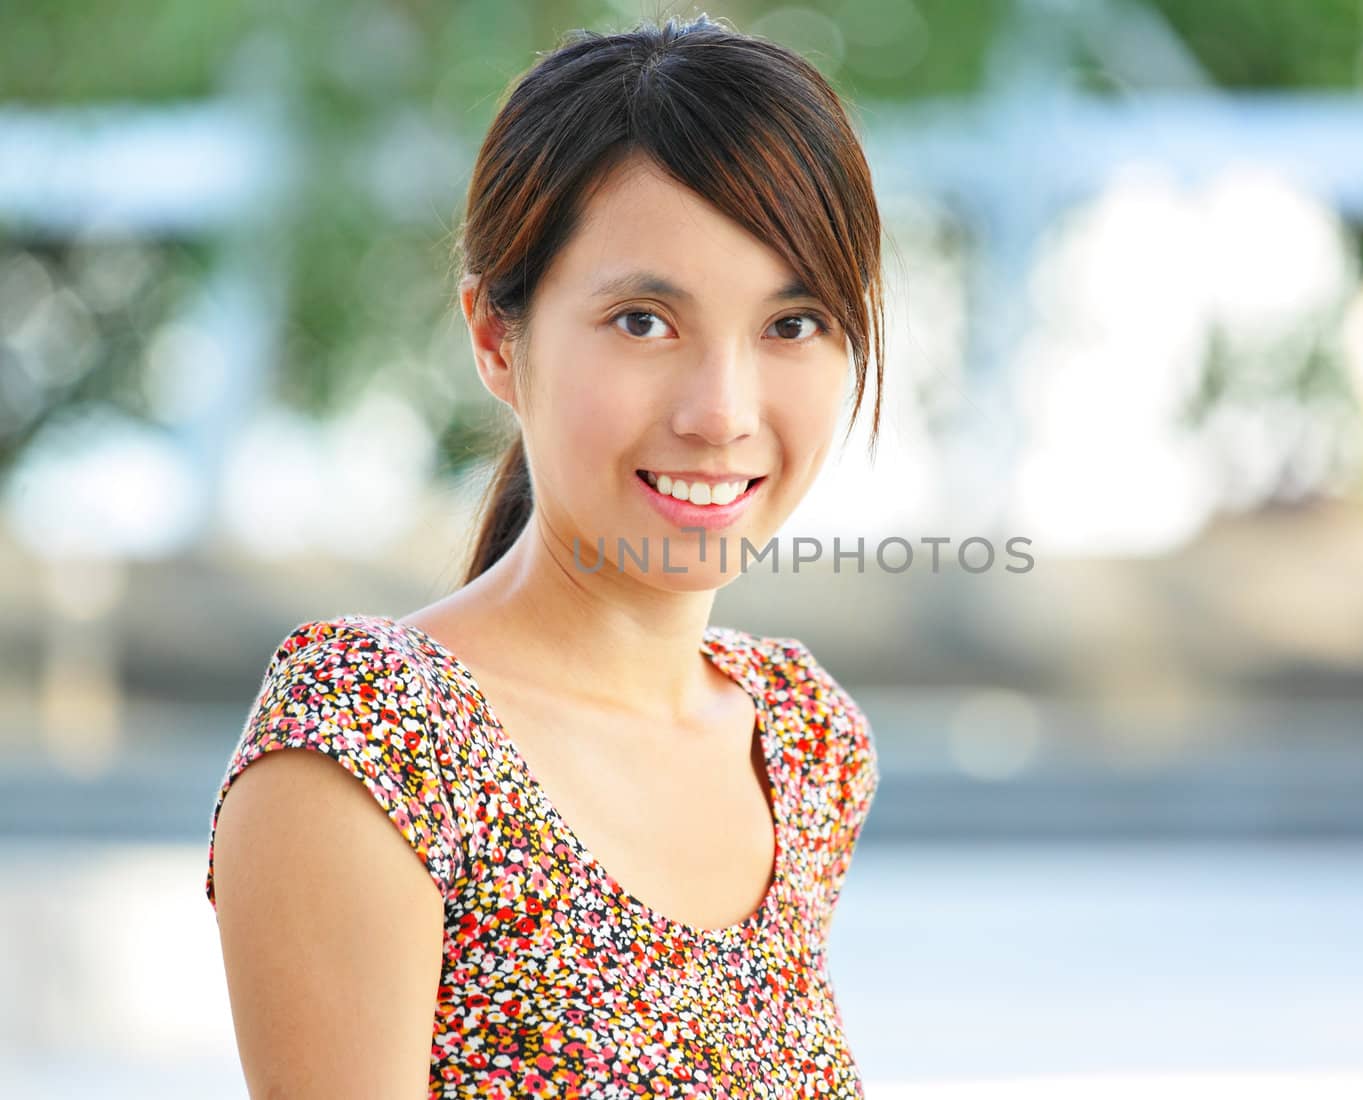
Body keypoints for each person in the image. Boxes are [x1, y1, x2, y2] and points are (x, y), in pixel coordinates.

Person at [204, 12, 886, 1099]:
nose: (722, 411)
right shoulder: (377, 738)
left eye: (792, 322)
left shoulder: (802, 742)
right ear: (494, 336)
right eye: (642, 320)